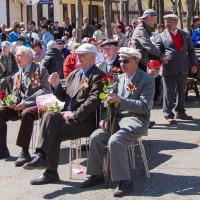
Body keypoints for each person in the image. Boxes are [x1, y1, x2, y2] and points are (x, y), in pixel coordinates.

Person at [23, 44, 106, 185]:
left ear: (93, 57)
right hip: (67, 117)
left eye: (82, 55)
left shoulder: (98, 76)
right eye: (77, 54)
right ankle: (42, 157)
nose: (78, 57)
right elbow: (64, 98)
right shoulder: (74, 74)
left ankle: (49, 170)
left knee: (52, 132)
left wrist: (74, 114)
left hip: (85, 121)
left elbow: (94, 100)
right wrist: (56, 86)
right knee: (49, 116)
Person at [81, 47, 155, 197]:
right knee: (96, 136)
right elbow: (107, 102)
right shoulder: (117, 79)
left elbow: (143, 106)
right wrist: (104, 118)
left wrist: (121, 101)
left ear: (136, 61)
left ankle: (125, 181)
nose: (122, 64)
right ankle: (97, 175)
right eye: (120, 60)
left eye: (126, 61)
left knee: (116, 140)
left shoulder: (147, 80)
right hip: (117, 119)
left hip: (136, 119)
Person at [0, 46, 51, 164]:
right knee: (1, 112)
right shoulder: (18, 74)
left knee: (26, 113)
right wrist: (10, 101)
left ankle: (24, 151)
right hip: (21, 106)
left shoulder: (38, 69)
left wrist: (26, 103)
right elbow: (16, 94)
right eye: (16, 55)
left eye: (19, 55)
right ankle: (2, 148)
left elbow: (44, 90)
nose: (16, 58)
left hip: (38, 105)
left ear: (28, 57)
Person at [156, 14, 198, 124]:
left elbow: (191, 50)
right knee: (168, 92)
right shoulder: (161, 35)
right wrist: (161, 58)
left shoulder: (185, 35)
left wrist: (194, 64)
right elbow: (157, 51)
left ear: (175, 22)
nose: (166, 24)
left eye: (169, 22)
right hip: (169, 67)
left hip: (183, 67)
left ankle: (180, 112)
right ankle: (168, 113)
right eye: (165, 22)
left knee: (181, 90)